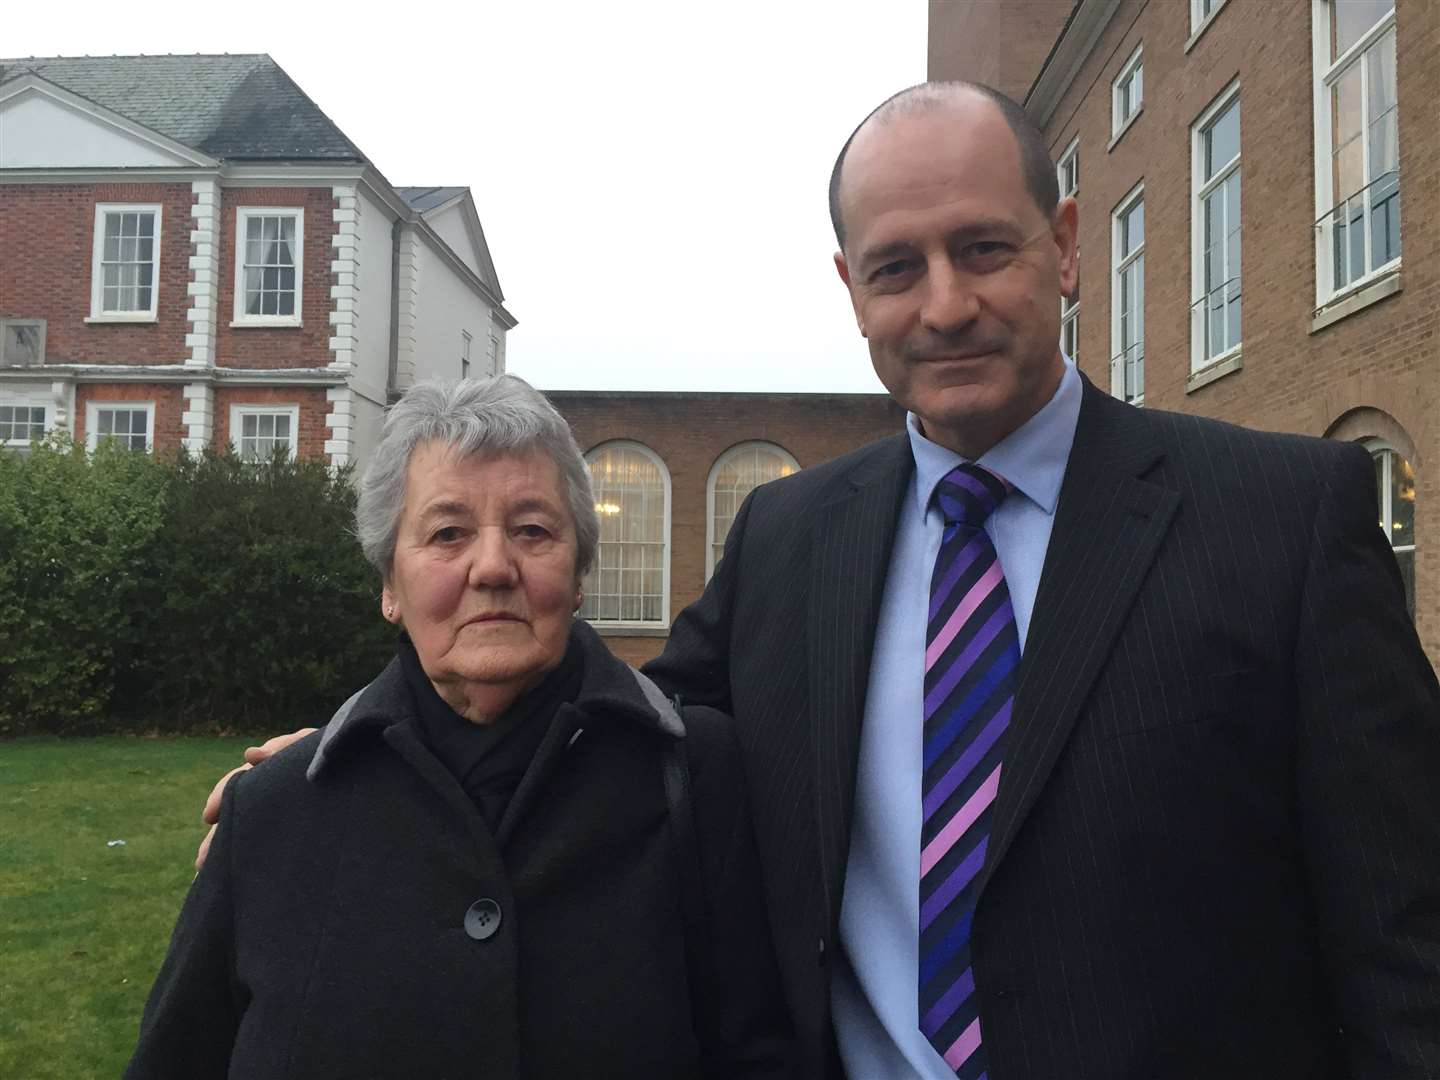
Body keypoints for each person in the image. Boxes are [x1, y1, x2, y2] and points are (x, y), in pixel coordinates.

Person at [202, 83, 1440, 1079]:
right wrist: (371, 751)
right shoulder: (790, 539)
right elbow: (603, 726)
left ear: (1065, 249)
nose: (944, 305)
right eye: (897, 267)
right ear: (850, 291)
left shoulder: (1281, 518)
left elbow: (1403, 935)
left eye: (984, 249)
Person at [132, 376, 791, 1079]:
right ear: (390, 584)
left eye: (532, 530)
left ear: (579, 575)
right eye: (448, 533)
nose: (492, 567)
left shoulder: (695, 777)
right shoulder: (272, 811)